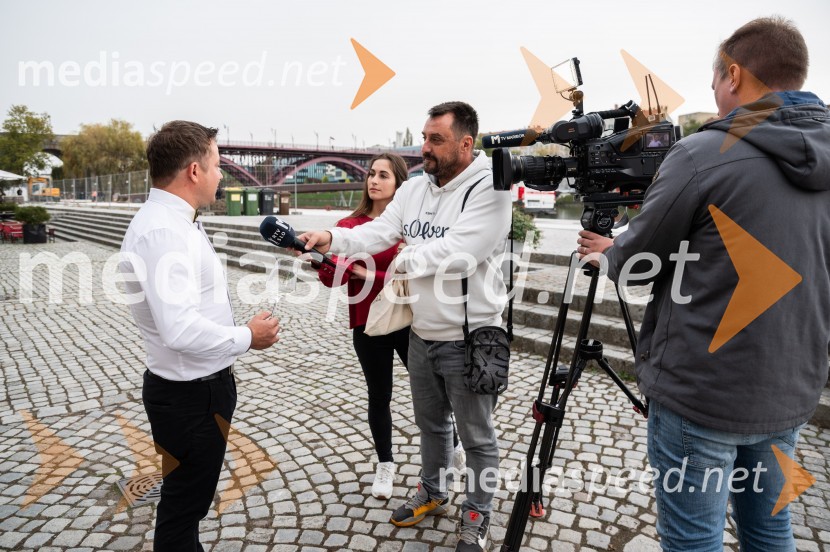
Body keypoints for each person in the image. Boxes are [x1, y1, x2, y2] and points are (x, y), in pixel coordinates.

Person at [577, 17, 829, 552]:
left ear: (733, 75)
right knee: (770, 529)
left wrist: (610, 251)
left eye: (716, 81)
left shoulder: (702, 153)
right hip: (790, 388)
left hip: (702, 394)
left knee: (693, 540)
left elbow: (641, 260)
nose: (715, 95)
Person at [300, 101, 511, 552]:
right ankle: (433, 492)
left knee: (477, 438)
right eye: (424, 137)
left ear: (465, 143)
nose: (425, 148)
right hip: (422, 333)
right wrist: (331, 238)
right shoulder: (414, 188)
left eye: (436, 140)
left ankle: (477, 515)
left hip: (470, 337)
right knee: (431, 425)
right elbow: (376, 231)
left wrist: (403, 260)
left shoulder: (491, 188)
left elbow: (460, 253)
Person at [119, 120, 280, 551]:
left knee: (188, 504)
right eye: (216, 164)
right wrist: (247, 336)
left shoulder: (176, 221)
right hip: (191, 397)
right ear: (194, 170)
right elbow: (179, 329)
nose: (221, 173)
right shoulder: (164, 232)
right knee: (183, 507)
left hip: (196, 391)